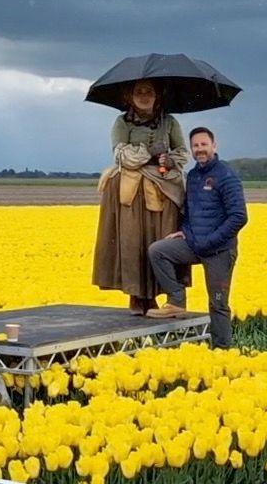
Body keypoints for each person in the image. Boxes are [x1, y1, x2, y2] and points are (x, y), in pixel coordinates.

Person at [93, 80, 189, 314]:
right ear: (130, 96)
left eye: (149, 92)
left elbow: (183, 153)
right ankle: (137, 297)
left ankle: (165, 295)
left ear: (158, 95)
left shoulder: (170, 121)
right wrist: (148, 152)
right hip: (132, 192)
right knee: (132, 241)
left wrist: (169, 159)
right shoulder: (122, 122)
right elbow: (121, 154)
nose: (144, 96)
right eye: (139, 92)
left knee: (161, 240)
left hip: (164, 190)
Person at [145, 127, 245, 342]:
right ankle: (176, 301)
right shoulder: (192, 176)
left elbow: (239, 216)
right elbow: (189, 210)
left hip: (219, 250)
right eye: (196, 146)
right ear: (191, 149)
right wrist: (185, 232)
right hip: (194, 244)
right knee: (158, 251)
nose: (200, 149)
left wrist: (210, 241)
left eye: (204, 144)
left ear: (214, 146)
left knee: (218, 303)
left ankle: (222, 351)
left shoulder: (226, 175)